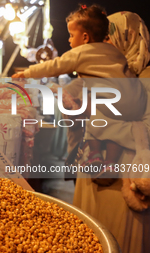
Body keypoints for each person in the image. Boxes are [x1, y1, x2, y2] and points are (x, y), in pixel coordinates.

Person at [13, 5, 147, 184]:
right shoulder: (115, 52)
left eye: (71, 35)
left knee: (93, 119)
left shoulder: (81, 52)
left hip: (115, 99)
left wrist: (27, 73)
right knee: (113, 120)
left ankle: (96, 154)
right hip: (135, 99)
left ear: (85, 37)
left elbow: (54, 66)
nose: (68, 40)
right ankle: (111, 163)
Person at [72, 11, 150, 253]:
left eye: (108, 38)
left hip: (126, 179)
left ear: (128, 38)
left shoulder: (146, 78)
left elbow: (146, 129)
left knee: (118, 242)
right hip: (93, 172)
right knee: (88, 237)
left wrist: (99, 125)